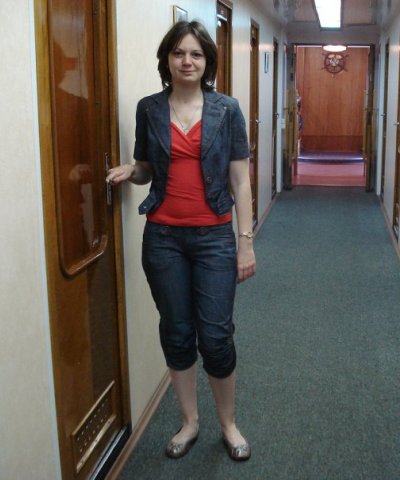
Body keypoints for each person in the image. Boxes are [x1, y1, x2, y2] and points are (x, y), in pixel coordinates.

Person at [106, 21, 255, 461]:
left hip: (214, 239)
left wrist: (245, 242)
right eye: (178, 53)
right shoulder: (149, 109)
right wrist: (130, 171)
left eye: (195, 54)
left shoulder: (227, 110)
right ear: (167, 59)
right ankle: (190, 422)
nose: (186, 61)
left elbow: (240, 181)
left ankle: (228, 423)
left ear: (207, 61)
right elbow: (147, 168)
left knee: (216, 335)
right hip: (164, 238)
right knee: (176, 332)